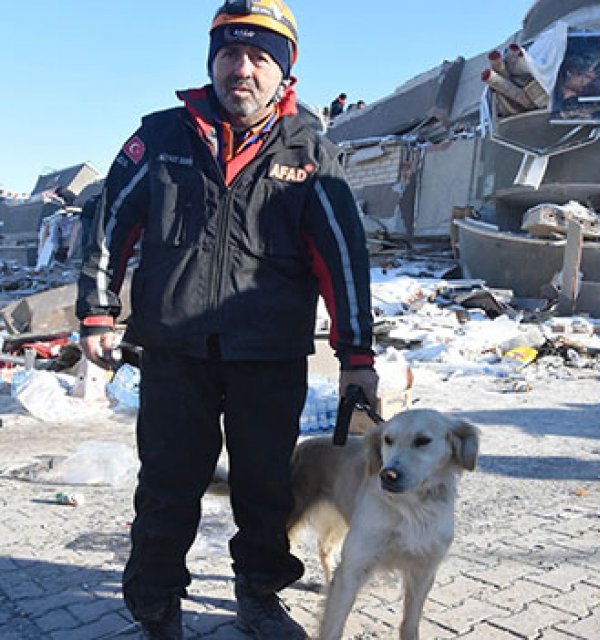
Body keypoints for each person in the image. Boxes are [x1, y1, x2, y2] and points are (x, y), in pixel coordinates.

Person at [75, 2, 377, 638]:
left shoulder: (310, 155)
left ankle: (261, 594)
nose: (241, 69)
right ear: (212, 61)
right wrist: (97, 312)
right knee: (167, 483)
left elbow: (343, 261)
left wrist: (358, 359)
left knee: (266, 485)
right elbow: (108, 227)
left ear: (284, 73)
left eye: (259, 58)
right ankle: (156, 603)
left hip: (268, 353)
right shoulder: (159, 139)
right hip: (172, 347)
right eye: (229, 54)